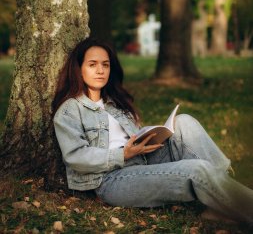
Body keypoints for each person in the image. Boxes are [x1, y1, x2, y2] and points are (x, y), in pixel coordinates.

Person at [53, 37, 253, 224]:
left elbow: (132, 136)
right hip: (111, 179)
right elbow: (75, 156)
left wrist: (148, 135)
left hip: (143, 159)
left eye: (105, 65)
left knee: (184, 122)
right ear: (79, 70)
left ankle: (222, 201)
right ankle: (237, 204)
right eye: (92, 64)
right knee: (197, 169)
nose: (100, 70)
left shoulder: (115, 103)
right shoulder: (70, 109)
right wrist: (122, 154)